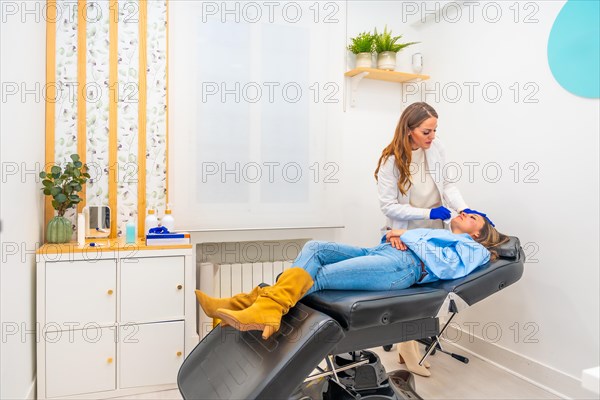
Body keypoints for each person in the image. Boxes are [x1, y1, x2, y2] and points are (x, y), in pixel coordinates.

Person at [195, 212, 508, 345]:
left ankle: (255, 305)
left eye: (473, 217)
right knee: (314, 247)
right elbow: (415, 241)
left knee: (317, 276)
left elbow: (445, 266)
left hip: (403, 270)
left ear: (480, 233)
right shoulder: (441, 232)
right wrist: (396, 236)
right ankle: (257, 306)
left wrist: (406, 236)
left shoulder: (475, 250)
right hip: (385, 253)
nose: (465, 214)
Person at [374, 101, 491, 376]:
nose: (432, 136)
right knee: (410, 295)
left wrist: (462, 209)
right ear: (409, 130)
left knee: (429, 295)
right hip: (406, 234)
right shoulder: (391, 161)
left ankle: (410, 347)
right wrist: (428, 210)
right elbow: (389, 206)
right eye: (427, 131)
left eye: (435, 130)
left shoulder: (436, 149)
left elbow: (448, 184)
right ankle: (409, 350)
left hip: (435, 231)